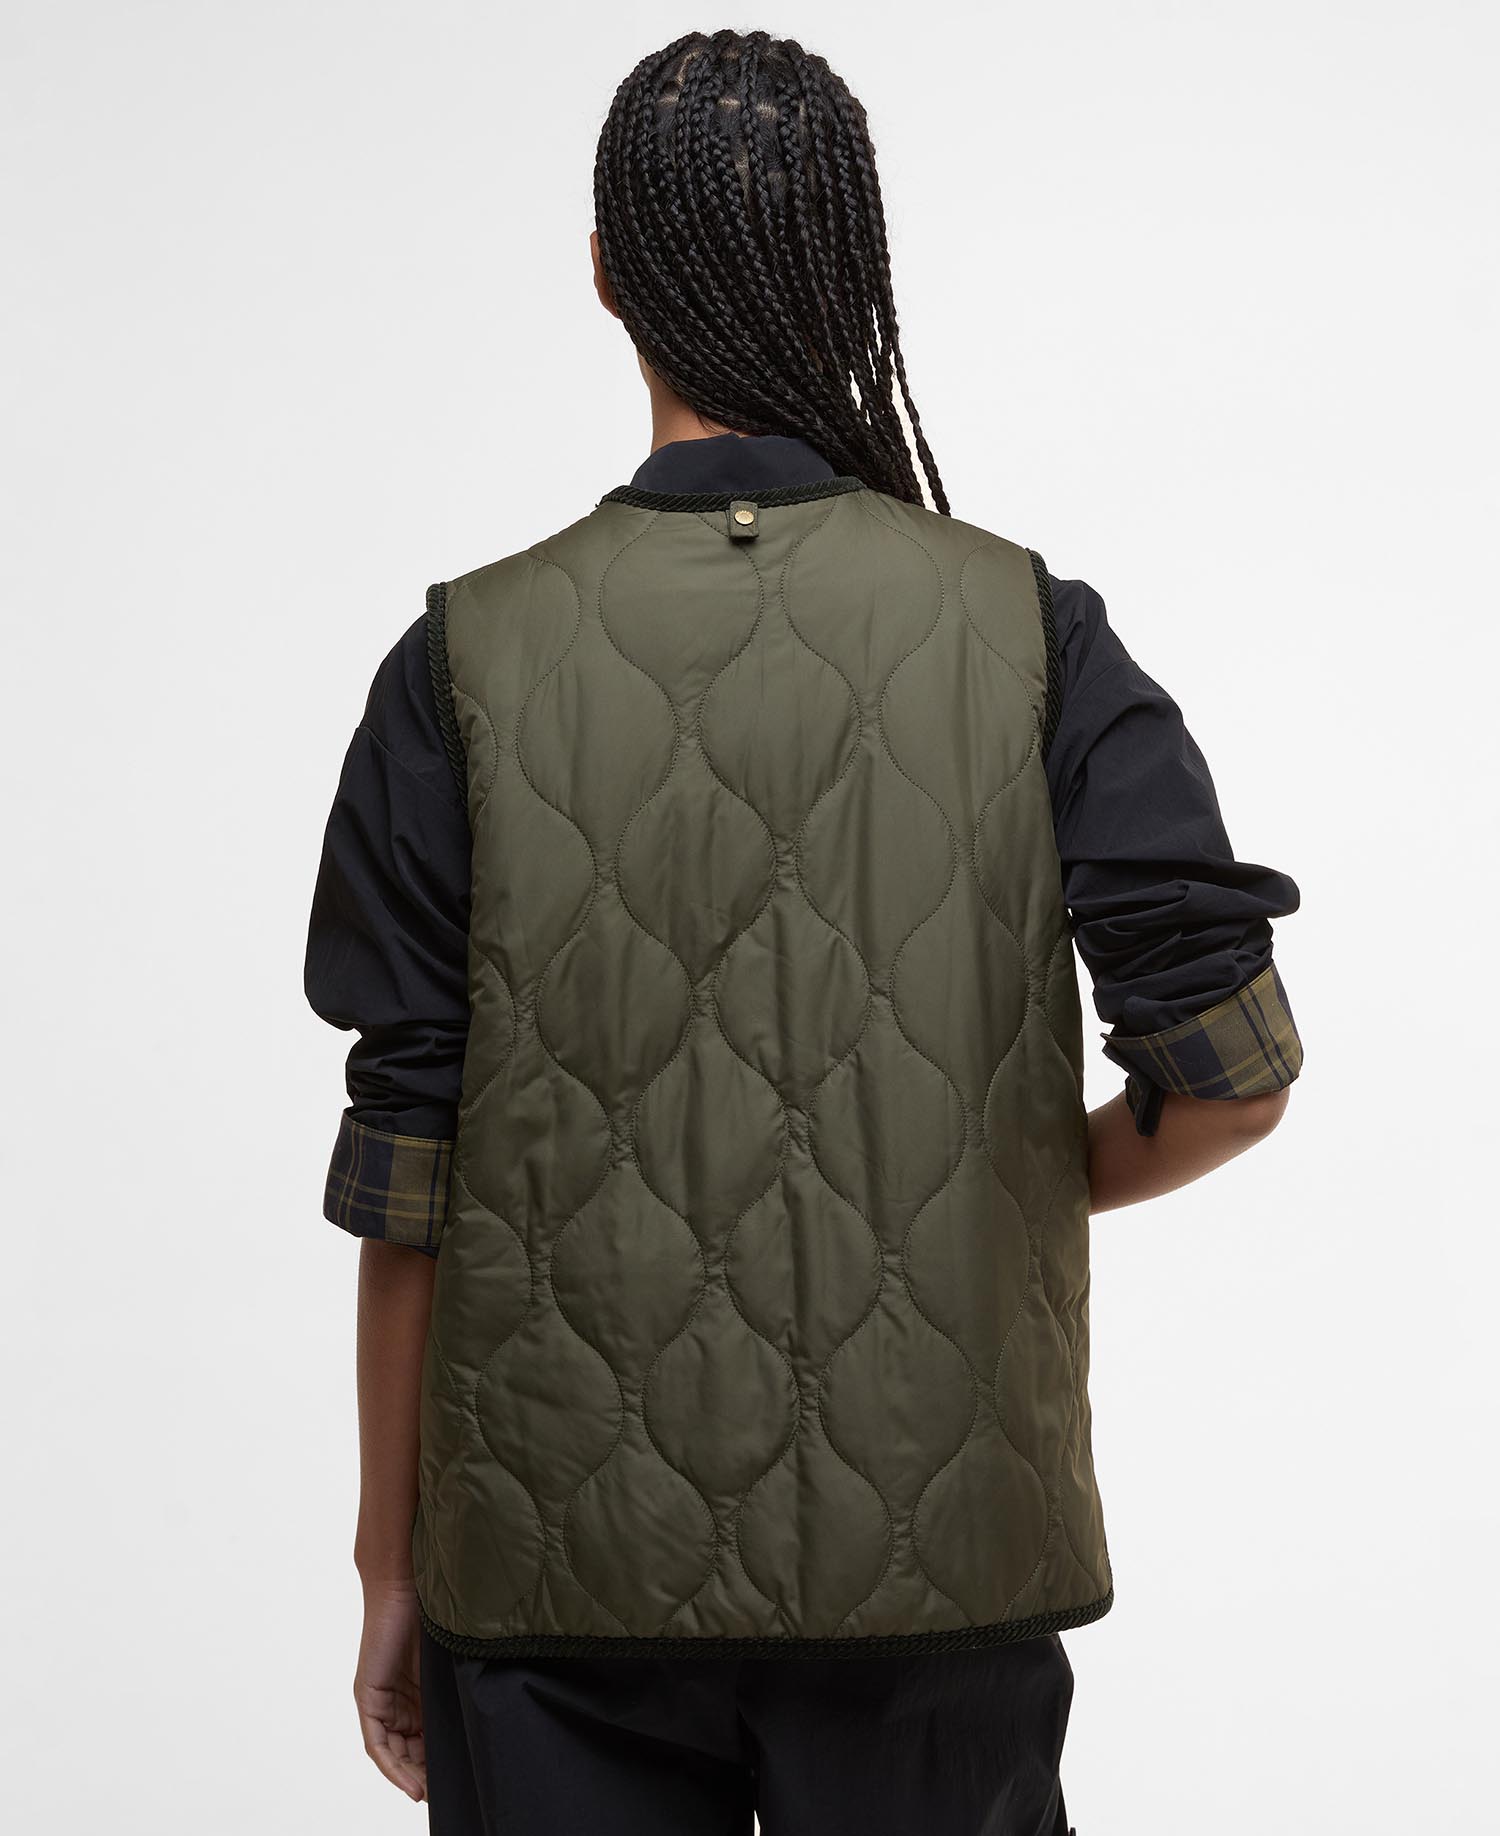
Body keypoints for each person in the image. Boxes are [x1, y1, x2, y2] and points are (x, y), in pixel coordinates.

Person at [304, 28, 1304, 1835]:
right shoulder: (1031, 632)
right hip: (945, 1562)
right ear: (857, 267)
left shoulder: (459, 661)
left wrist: (390, 1562)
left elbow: (412, 1168)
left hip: (551, 1577)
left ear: (604, 272)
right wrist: (995, 1182)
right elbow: (1229, 1075)